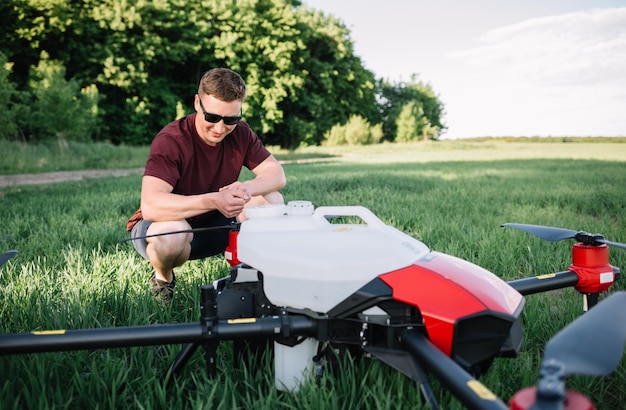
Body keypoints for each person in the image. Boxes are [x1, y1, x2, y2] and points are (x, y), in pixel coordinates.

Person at [127, 68, 286, 303]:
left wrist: (243, 190)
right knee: (170, 234)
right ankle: (163, 278)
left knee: (271, 200)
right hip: (164, 231)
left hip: (215, 225)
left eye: (231, 119)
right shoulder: (172, 140)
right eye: (211, 117)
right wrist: (214, 199)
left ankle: (248, 279)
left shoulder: (241, 133)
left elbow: (276, 175)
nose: (220, 128)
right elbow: (151, 206)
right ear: (196, 103)